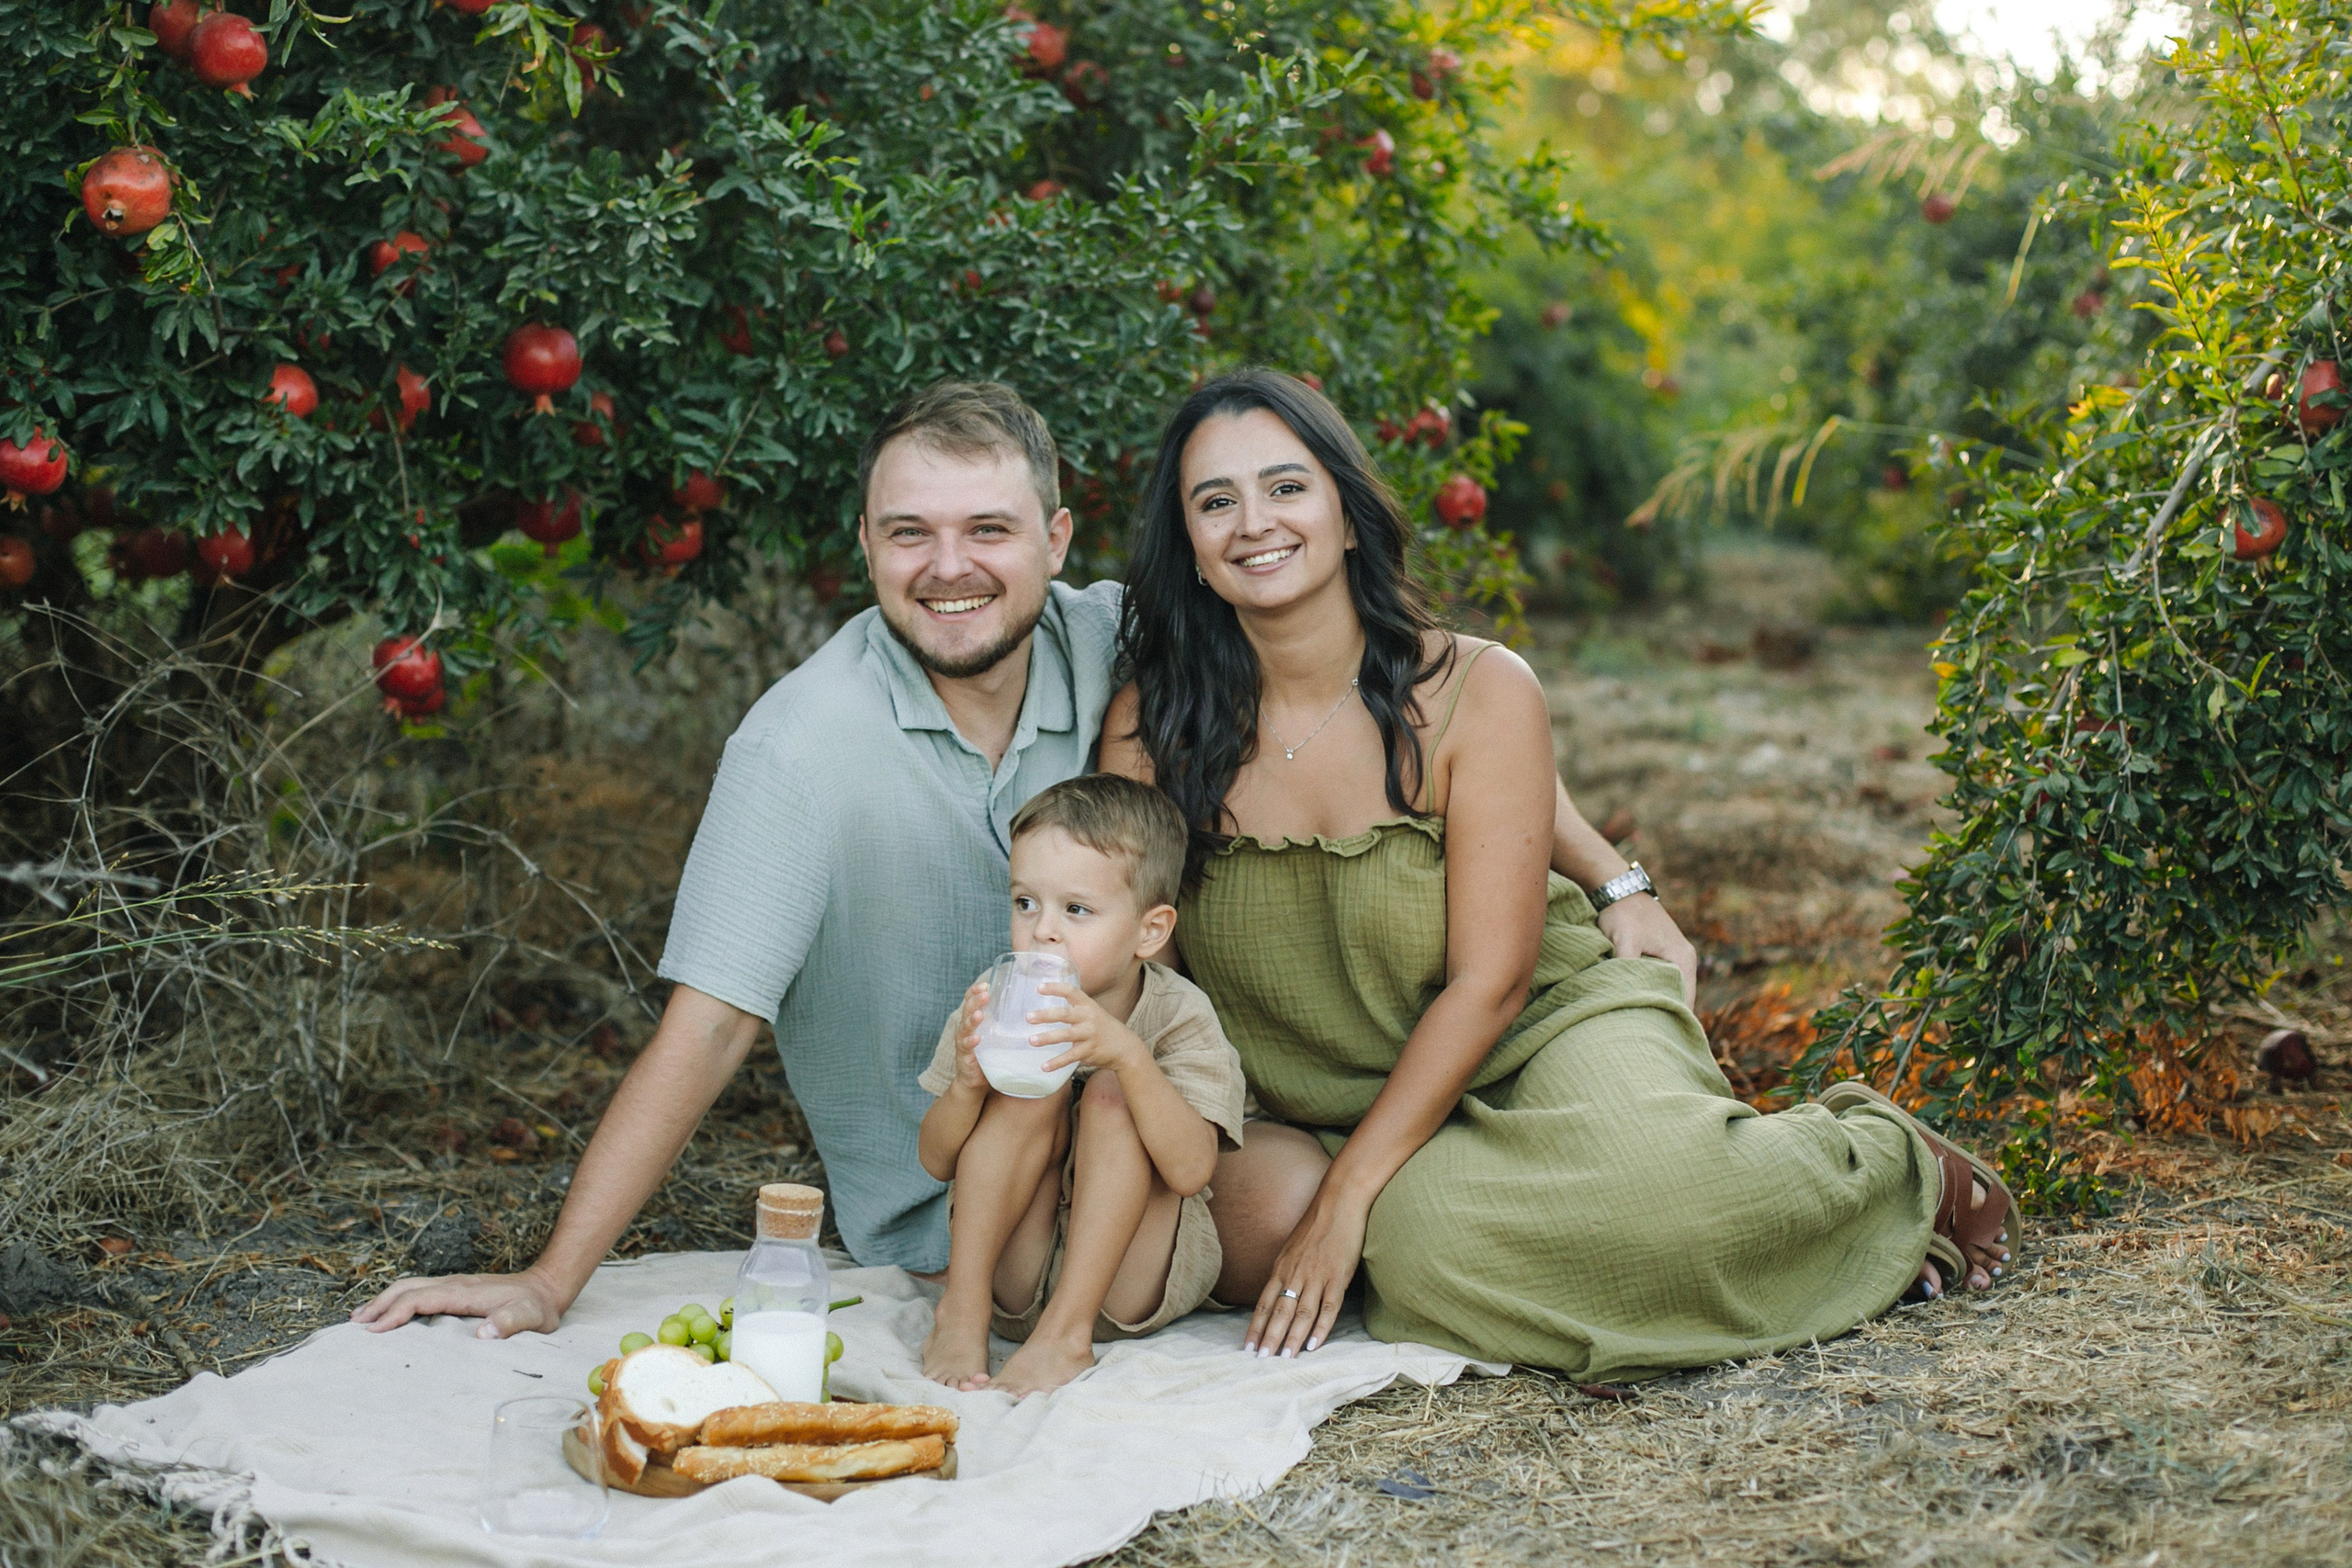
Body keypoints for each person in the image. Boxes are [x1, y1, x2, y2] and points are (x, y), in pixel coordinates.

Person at [351, 377, 1697, 1342]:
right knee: (1291, 1213)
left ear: (1055, 544)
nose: (951, 569)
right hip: (979, 1172)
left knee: (1323, 1191)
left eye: (989, 530)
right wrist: (550, 1277)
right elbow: (704, 1035)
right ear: (865, 546)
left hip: (1151, 1103)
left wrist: (1612, 875)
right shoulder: (797, 754)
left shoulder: (1119, 641)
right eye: (910, 533)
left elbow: (1419, 704)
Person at [1099, 367, 2015, 1381]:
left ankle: (1889, 1165)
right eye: (1213, 501)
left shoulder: (1477, 689)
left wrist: (1350, 1193)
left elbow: (1491, 981)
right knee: (1425, 1261)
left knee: (1674, 1204)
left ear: (1347, 517)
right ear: (1186, 544)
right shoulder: (1152, 729)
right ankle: (1457, 1208)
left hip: (1541, 1027)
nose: (1251, 523)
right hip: (1322, 1095)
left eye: (1285, 487)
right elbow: (1152, 974)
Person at [917, 774, 1244, 1395]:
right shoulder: (996, 1001)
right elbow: (935, 1160)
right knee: (1025, 1089)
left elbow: (1193, 1169)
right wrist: (965, 1085)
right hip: (1019, 1276)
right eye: (1025, 902)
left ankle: (1067, 1336)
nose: (1043, 930)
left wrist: (1128, 1056)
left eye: (1076, 909)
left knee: (1113, 1096)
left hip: (1128, 1282)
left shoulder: (1180, 1014)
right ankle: (961, 1311)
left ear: (1151, 930)